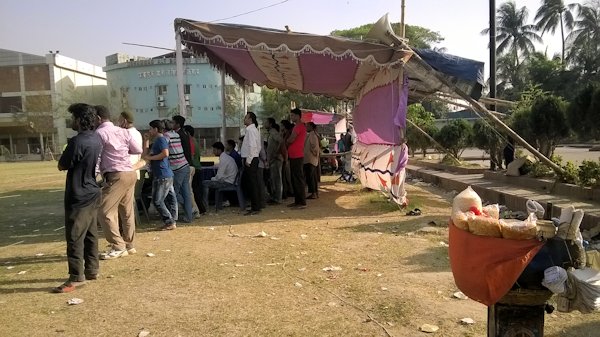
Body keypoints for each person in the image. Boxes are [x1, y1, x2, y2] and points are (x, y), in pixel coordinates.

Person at [54, 103, 103, 293]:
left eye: (73, 117)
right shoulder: (96, 138)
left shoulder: (77, 141)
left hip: (79, 193)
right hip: (92, 190)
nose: (71, 121)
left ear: (80, 120)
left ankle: (76, 277)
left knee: (75, 235)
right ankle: (92, 269)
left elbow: (62, 165)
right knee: (90, 233)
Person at [95, 105, 143, 260]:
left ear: (97, 118)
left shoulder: (99, 133)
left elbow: (97, 157)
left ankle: (118, 245)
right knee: (126, 211)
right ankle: (129, 244)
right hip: (130, 172)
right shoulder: (123, 131)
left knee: (104, 211)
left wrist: (94, 174)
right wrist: (120, 151)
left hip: (116, 174)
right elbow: (136, 150)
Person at [143, 120, 178, 230]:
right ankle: (172, 220)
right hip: (163, 174)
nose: (149, 131)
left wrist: (151, 158)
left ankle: (169, 221)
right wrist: (146, 141)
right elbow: (145, 155)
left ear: (156, 129)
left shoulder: (161, 139)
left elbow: (165, 154)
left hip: (163, 175)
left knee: (157, 201)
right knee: (171, 198)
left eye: (150, 129)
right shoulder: (156, 141)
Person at [163, 119, 193, 223]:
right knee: (186, 193)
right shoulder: (176, 134)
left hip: (177, 168)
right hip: (185, 165)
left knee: (172, 194)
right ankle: (189, 216)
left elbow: (163, 149)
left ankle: (172, 218)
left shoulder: (166, 136)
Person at [202, 142, 238, 209]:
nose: (213, 152)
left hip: (228, 182)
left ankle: (205, 205)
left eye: (214, 150)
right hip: (231, 180)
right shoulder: (226, 157)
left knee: (205, 183)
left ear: (219, 150)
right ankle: (222, 200)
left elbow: (219, 177)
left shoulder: (223, 159)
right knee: (209, 181)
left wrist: (212, 179)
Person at [240, 111, 262, 215]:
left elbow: (253, 147)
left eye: (246, 118)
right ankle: (255, 205)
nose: (244, 119)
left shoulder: (251, 131)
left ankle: (256, 207)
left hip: (251, 159)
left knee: (253, 184)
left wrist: (249, 160)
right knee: (252, 183)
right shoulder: (252, 130)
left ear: (250, 119)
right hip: (252, 158)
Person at [287, 108, 307, 209]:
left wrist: (285, 142)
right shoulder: (298, 126)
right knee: (295, 179)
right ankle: (297, 200)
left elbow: (291, 139)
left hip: (297, 155)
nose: (291, 117)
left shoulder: (298, 127)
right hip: (294, 155)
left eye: (293, 116)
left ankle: (301, 202)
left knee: (298, 179)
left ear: (298, 116)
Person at [183, 125, 205, 216]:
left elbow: (191, 156)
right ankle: (201, 209)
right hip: (197, 167)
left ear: (187, 133)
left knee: (194, 191)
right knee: (196, 191)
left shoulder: (190, 141)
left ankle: (199, 209)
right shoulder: (194, 140)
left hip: (194, 167)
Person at [265, 118, 283, 204]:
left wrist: (276, 152)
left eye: (266, 122)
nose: (265, 124)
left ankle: (277, 198)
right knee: (273, 179)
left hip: (275, 159)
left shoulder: (273, 132)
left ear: (270, 124)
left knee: (277, 179)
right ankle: (274, 196)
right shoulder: (270, 133)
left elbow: (280, 141)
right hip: (272, 160)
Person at [304, 122, 320, 199]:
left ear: (311, 127)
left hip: (310, 159)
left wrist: (313, 152)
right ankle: (315, 192)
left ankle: (314, 193)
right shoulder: (311, 135)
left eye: (307, 126)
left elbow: (315, 147)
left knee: (311, 177)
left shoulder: (313, 135)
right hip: (309, 158)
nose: (306, 127)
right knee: (312, 177)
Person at [280, 120, 294, 199]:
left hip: (287, 156)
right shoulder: (284, 134)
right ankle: (288, 190)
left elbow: (286, 145)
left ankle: (291, 191)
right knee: (285, 175)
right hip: (286, 156)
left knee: (288, 175)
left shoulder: (288, 134)